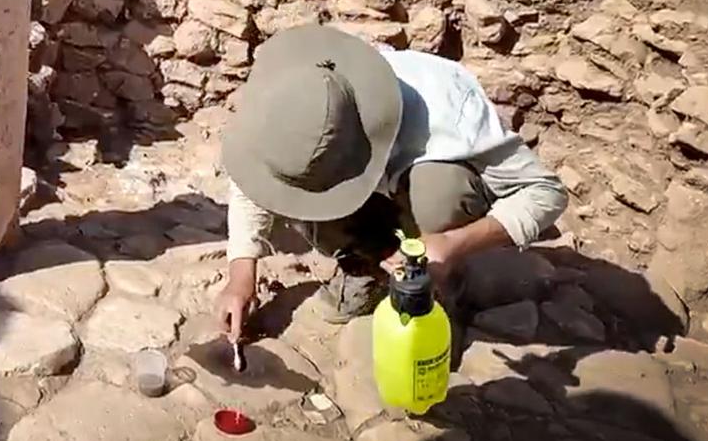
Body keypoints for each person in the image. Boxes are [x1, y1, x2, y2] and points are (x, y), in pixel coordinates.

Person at [214, 23, 567, 338]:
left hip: (430, 205)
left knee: (438, 190)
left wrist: (451, 244)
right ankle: (366, 267)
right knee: (302, 188)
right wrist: (241, 274)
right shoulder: (285, 93)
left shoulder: (446, 108)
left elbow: (546, 192)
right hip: (377, 201)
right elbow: (256, 177)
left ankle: (439, 278)